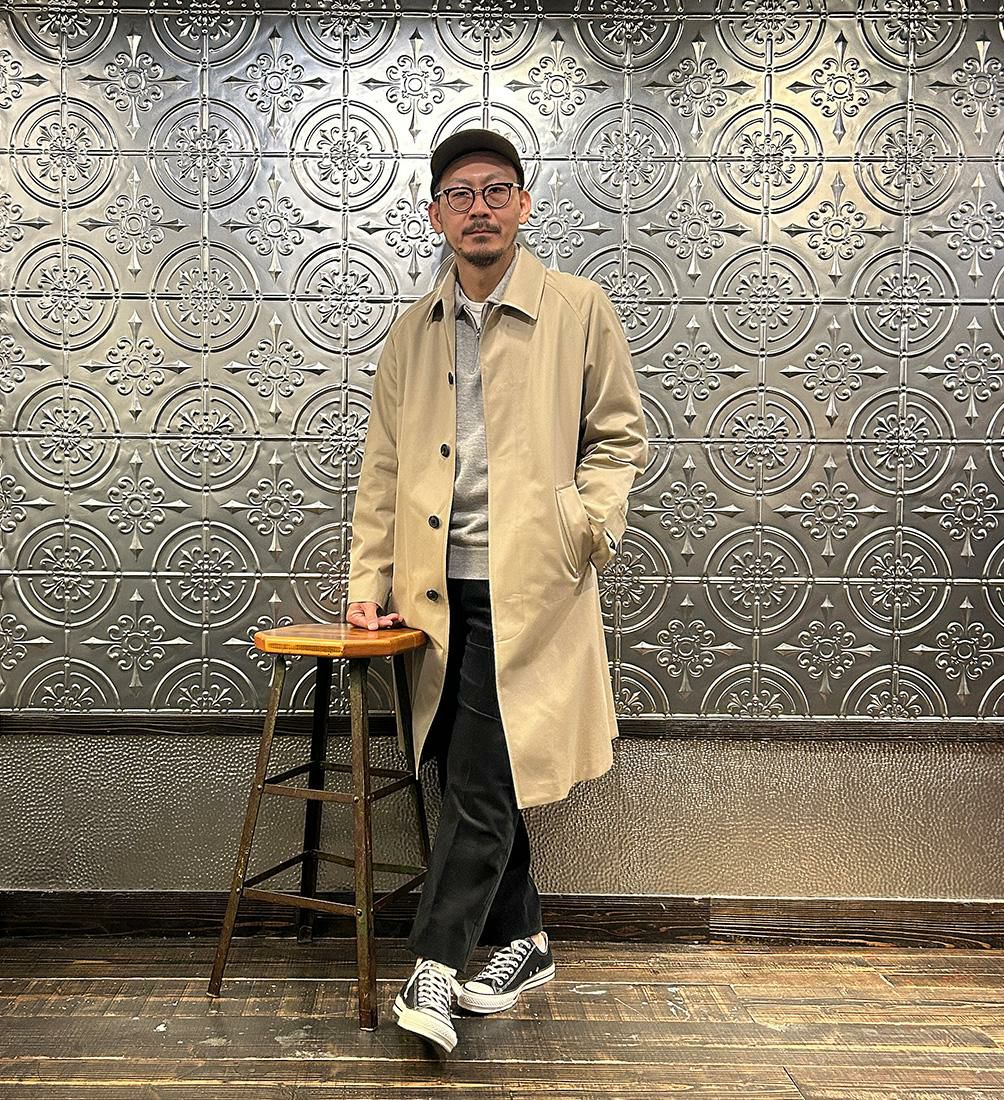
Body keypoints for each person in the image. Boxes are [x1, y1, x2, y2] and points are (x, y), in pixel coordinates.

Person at [345, 127, 648, 1054]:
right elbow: (384, 468)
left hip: (532, 588)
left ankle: (434, 966)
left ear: (524, 204)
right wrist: (368, 580)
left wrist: (584, 524)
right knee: (469, 772)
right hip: (433, 592)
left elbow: (619, 435)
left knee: (479, 780)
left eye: (496, 190)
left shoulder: (578, 307)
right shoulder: (413, 331)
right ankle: (527, 940)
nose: (479, 208)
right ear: (435, 215)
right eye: (461, 194)